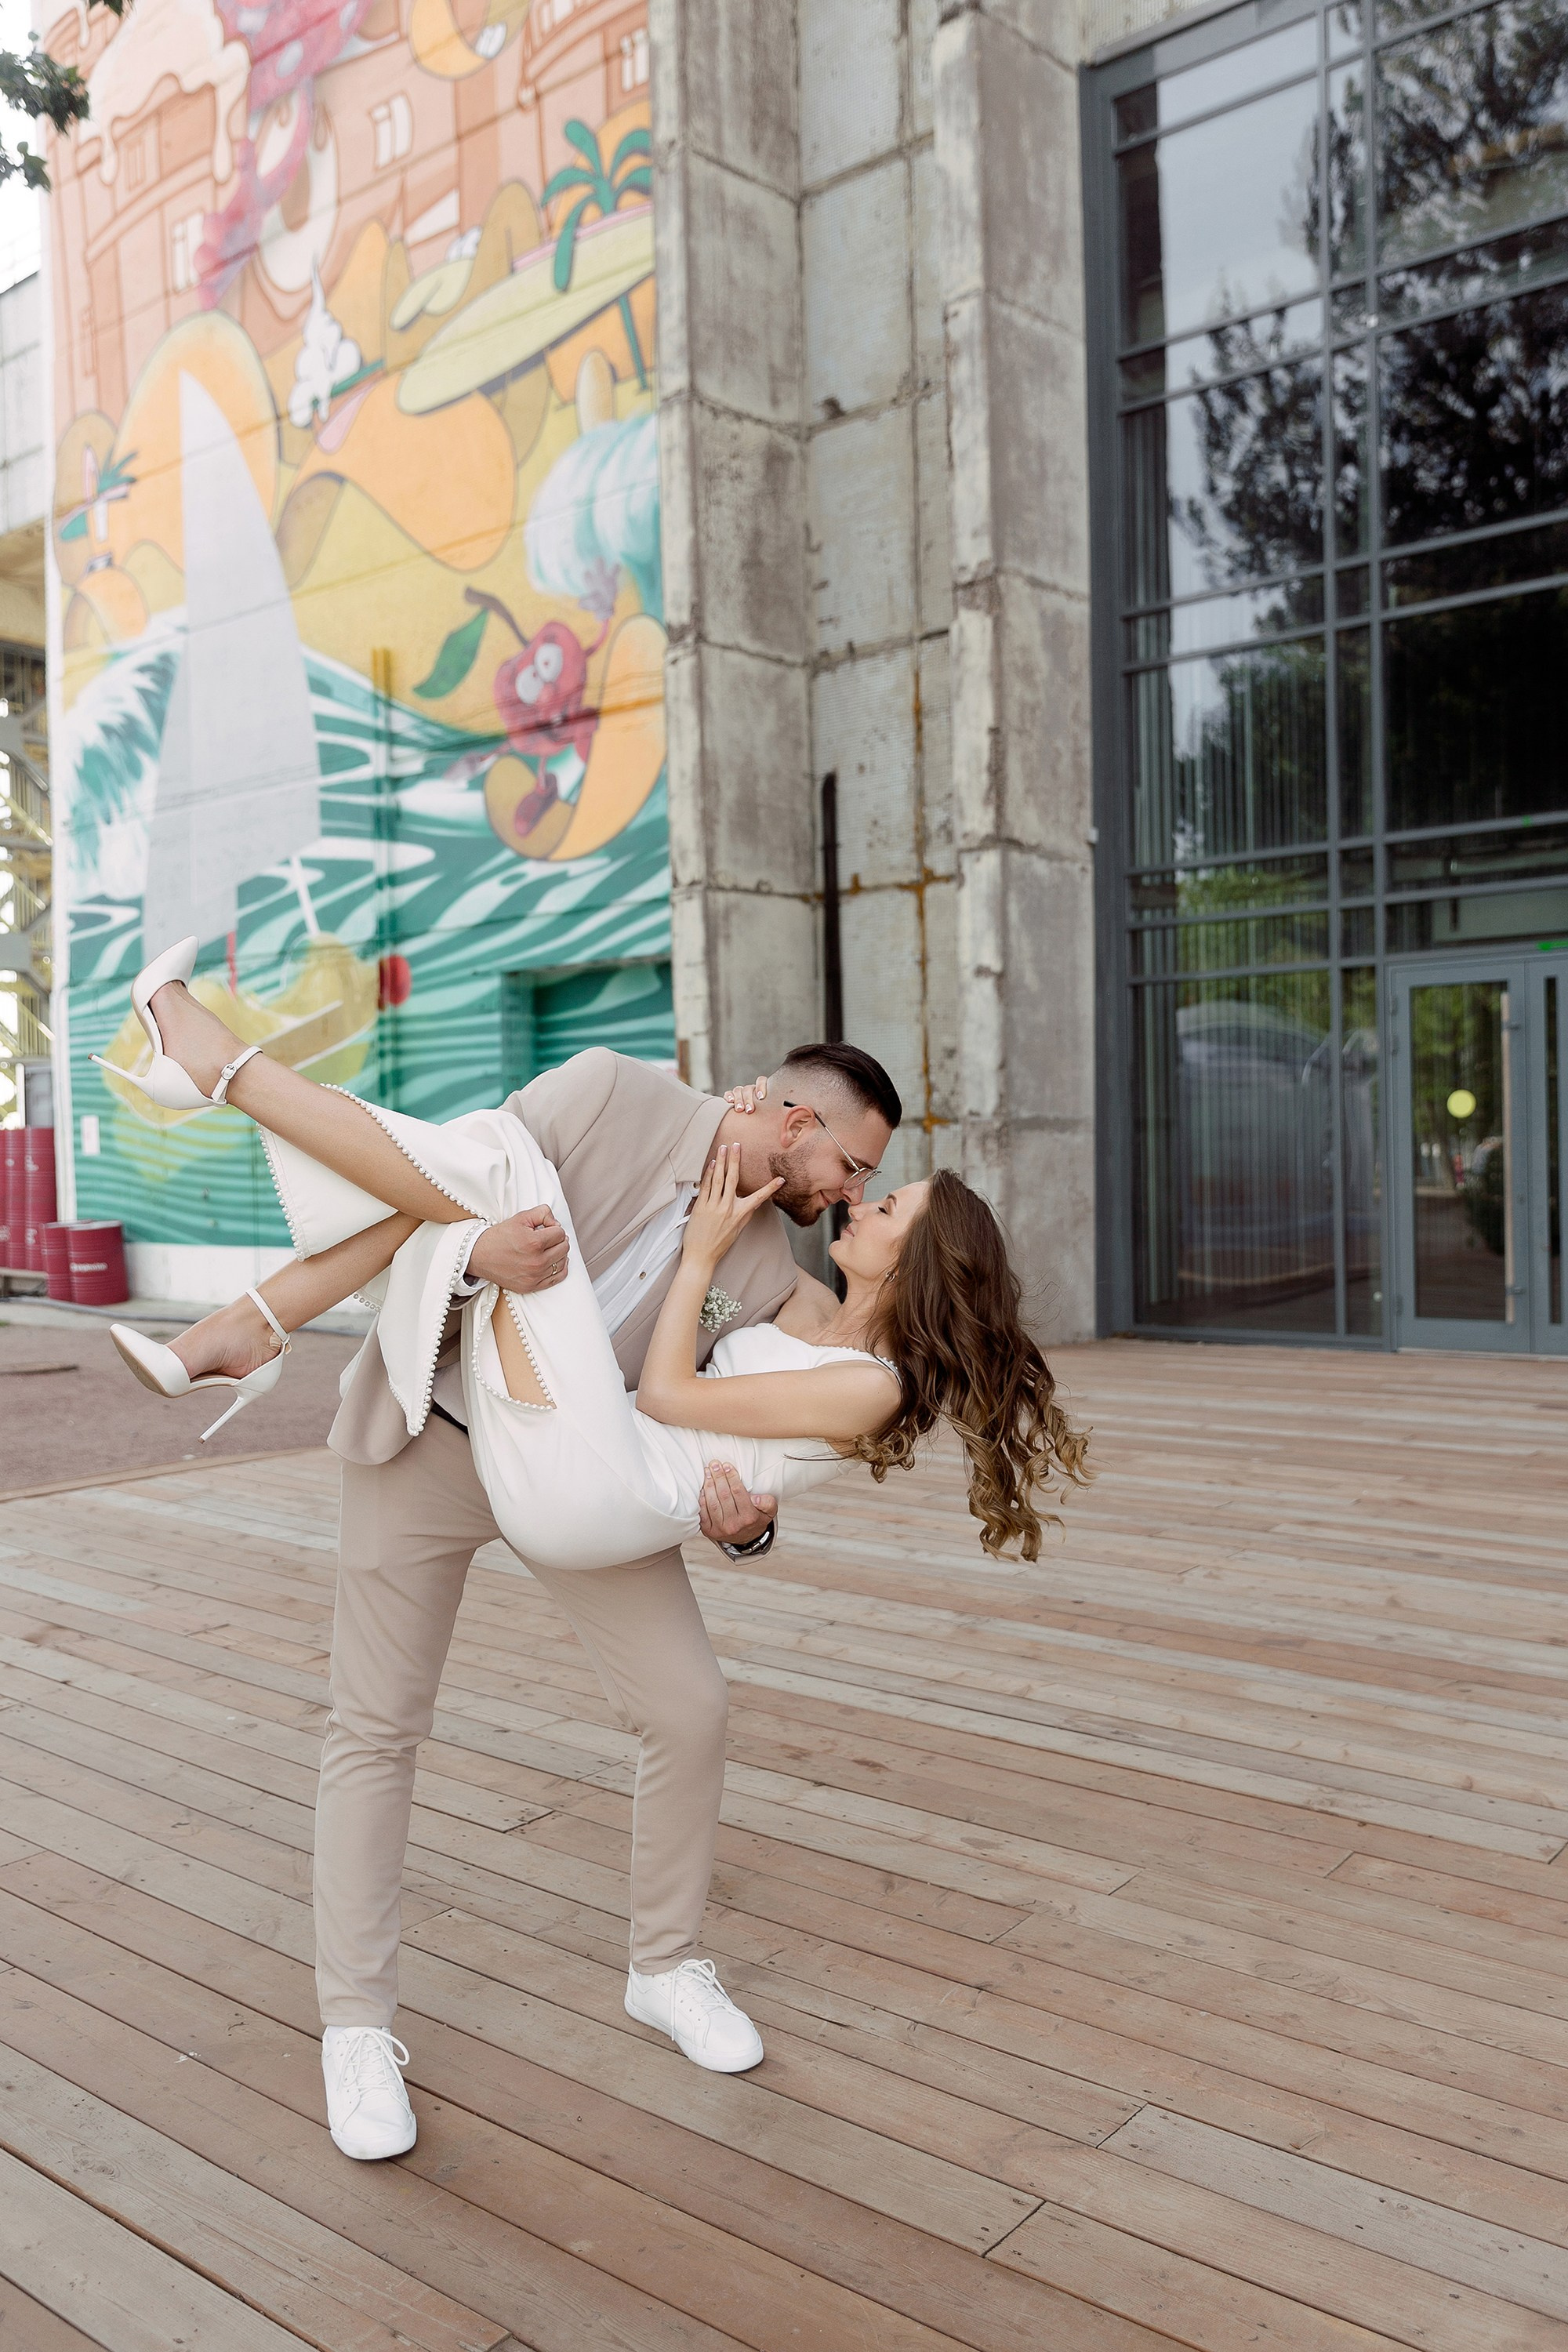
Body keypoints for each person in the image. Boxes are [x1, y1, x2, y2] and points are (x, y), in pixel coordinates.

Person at [108, 945, 1090, 2154]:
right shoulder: (609, 1092)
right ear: (793, 1122)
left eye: (870, 1187)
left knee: (688, 1709)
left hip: (588, 1471)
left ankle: (666, 1965)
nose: (846, 1193)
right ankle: (356, 2031)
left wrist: (753, 1524)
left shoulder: (771, 1269)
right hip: (434, 1425)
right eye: (850, 1164)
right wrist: (476, 1259)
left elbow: (774, 1413)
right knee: (375, 1726)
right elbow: (420, 1202)